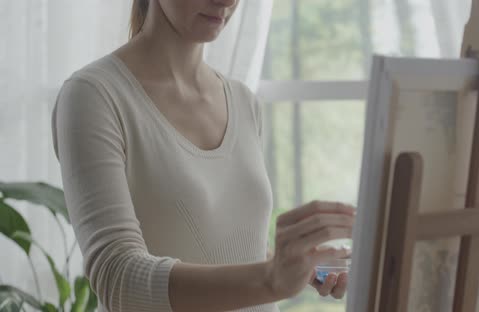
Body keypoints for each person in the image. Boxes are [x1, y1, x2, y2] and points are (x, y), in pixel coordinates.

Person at [51, 0, 355, 311]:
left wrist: (301, 266)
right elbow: (118, 277)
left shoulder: (242, 101)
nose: (227, 1)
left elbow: (233, 251)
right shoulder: (93, 96)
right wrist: (270, 278)